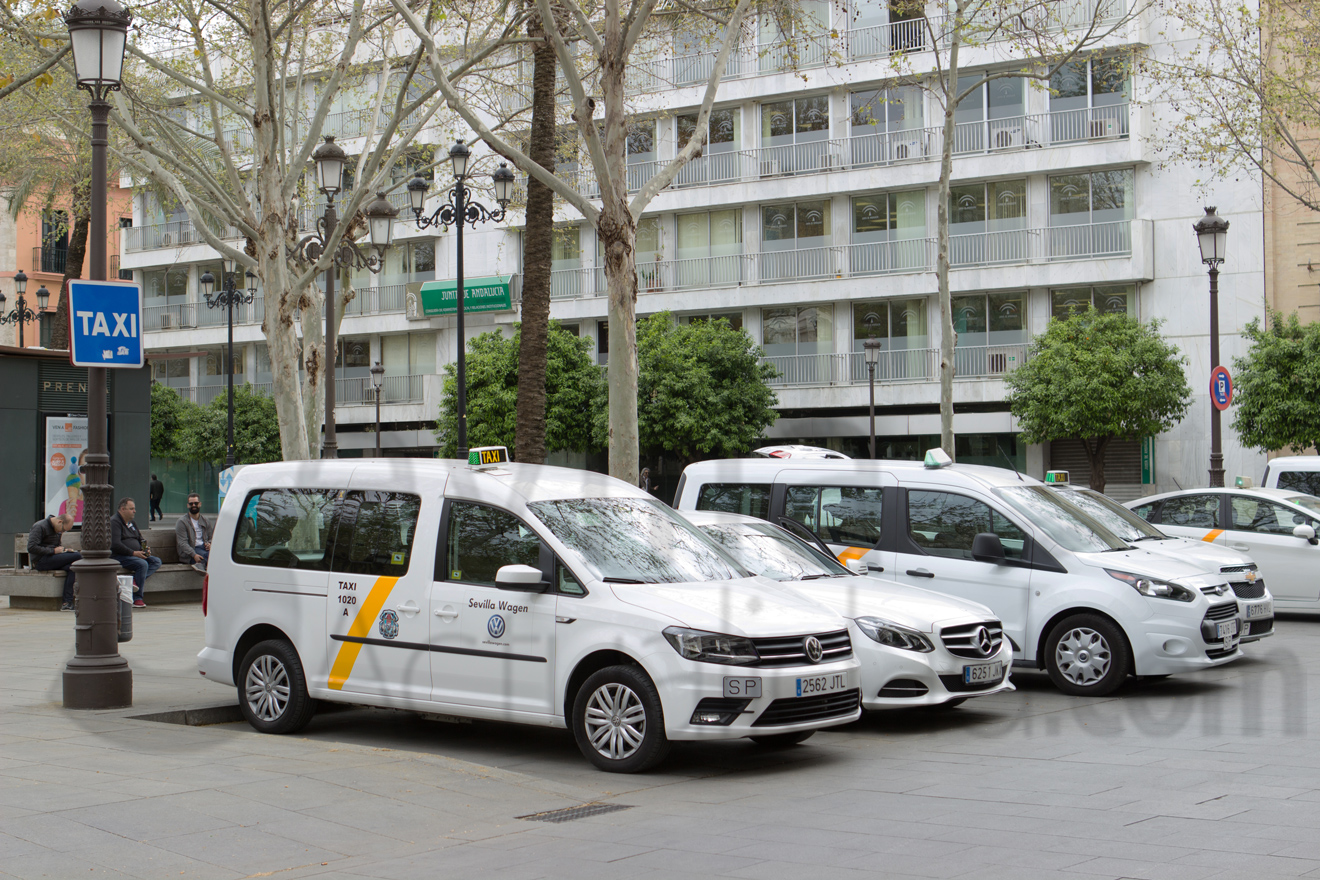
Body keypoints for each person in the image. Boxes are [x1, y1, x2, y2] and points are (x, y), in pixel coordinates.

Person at [110, 497, 161, 607]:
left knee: (156, 561)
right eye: (131, 508)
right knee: (142, 564)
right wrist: (133, 553)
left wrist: (145, 549)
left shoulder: (132, 522)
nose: (135, 511)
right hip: (120, 556)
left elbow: (140, 538)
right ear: (123, 509)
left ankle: (132, 581)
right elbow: (115, 544)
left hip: (135, 555)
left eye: (134, 508)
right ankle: (137, 598)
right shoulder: (114, 522)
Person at [28, 513, 81, 611]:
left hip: (52, 558)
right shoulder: (40, 526)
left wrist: (65, 551)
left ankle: (67, 603)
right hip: (41, 561)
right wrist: (53, 551)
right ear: (59, 522)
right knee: (78, 556)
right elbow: (31, 547)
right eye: (63, 529)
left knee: (73, 567)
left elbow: (55, 547)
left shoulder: (57, 529)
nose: (62, 532)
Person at [175, 493, 213, 574]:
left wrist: (210, 544)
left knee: (217, 555)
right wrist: (194, 555)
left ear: (200, 504)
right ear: (187, 505)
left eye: (196, 503)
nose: (193, 505)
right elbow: (182, 543)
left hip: (204, 549)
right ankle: (202, 566)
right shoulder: (182, 522)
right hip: (190, 552)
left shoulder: (205, 520)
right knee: (209, 556)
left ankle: (201, 565)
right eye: (191, 504)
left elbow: (211, 537)